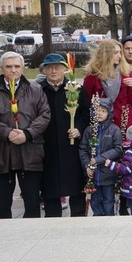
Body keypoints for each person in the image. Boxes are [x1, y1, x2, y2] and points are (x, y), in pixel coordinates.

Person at [0, 52, 51, 219]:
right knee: (1, 205)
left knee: (32, 203)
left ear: (23, 68)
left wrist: (28, 133)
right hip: (1, 152)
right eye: (9, 66)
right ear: (1, 69)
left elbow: (45, 115)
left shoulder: (35, 90)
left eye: (17, 66)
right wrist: (7, 133)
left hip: (29, 152)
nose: (13, 70)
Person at [39, 53, 91, 217]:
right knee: (50, 183)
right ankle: (52, 216)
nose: (54, 71)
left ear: (64, 69)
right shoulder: (39, 90)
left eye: (57, 67)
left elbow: (85, 114)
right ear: (45, 70)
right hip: (48, 143)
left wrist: (79, 129)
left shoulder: (75, 88)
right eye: (49, 68)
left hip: (71, 144)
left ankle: (78, 215)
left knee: (75, 182)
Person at [82, 39, 132, 131]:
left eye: (120, 52)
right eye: (116, 53)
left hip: (125, 122)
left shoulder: (126, 72)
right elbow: (86, 103)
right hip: (102, 122)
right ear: (106, 55)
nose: (120, 56)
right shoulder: (92, 76)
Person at [79, 98, 123, 216]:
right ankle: (97, 218)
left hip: (108, 173)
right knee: (95, 201)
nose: (99, 113)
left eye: (103, 111)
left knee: (108, 200)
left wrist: (99, 159)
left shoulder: (114, 130)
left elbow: (118, 149)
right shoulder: (89, 130)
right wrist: (87, 165)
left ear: (109, 113)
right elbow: (83, 149)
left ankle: (109, 219)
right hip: (92, 175)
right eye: (97, 110)